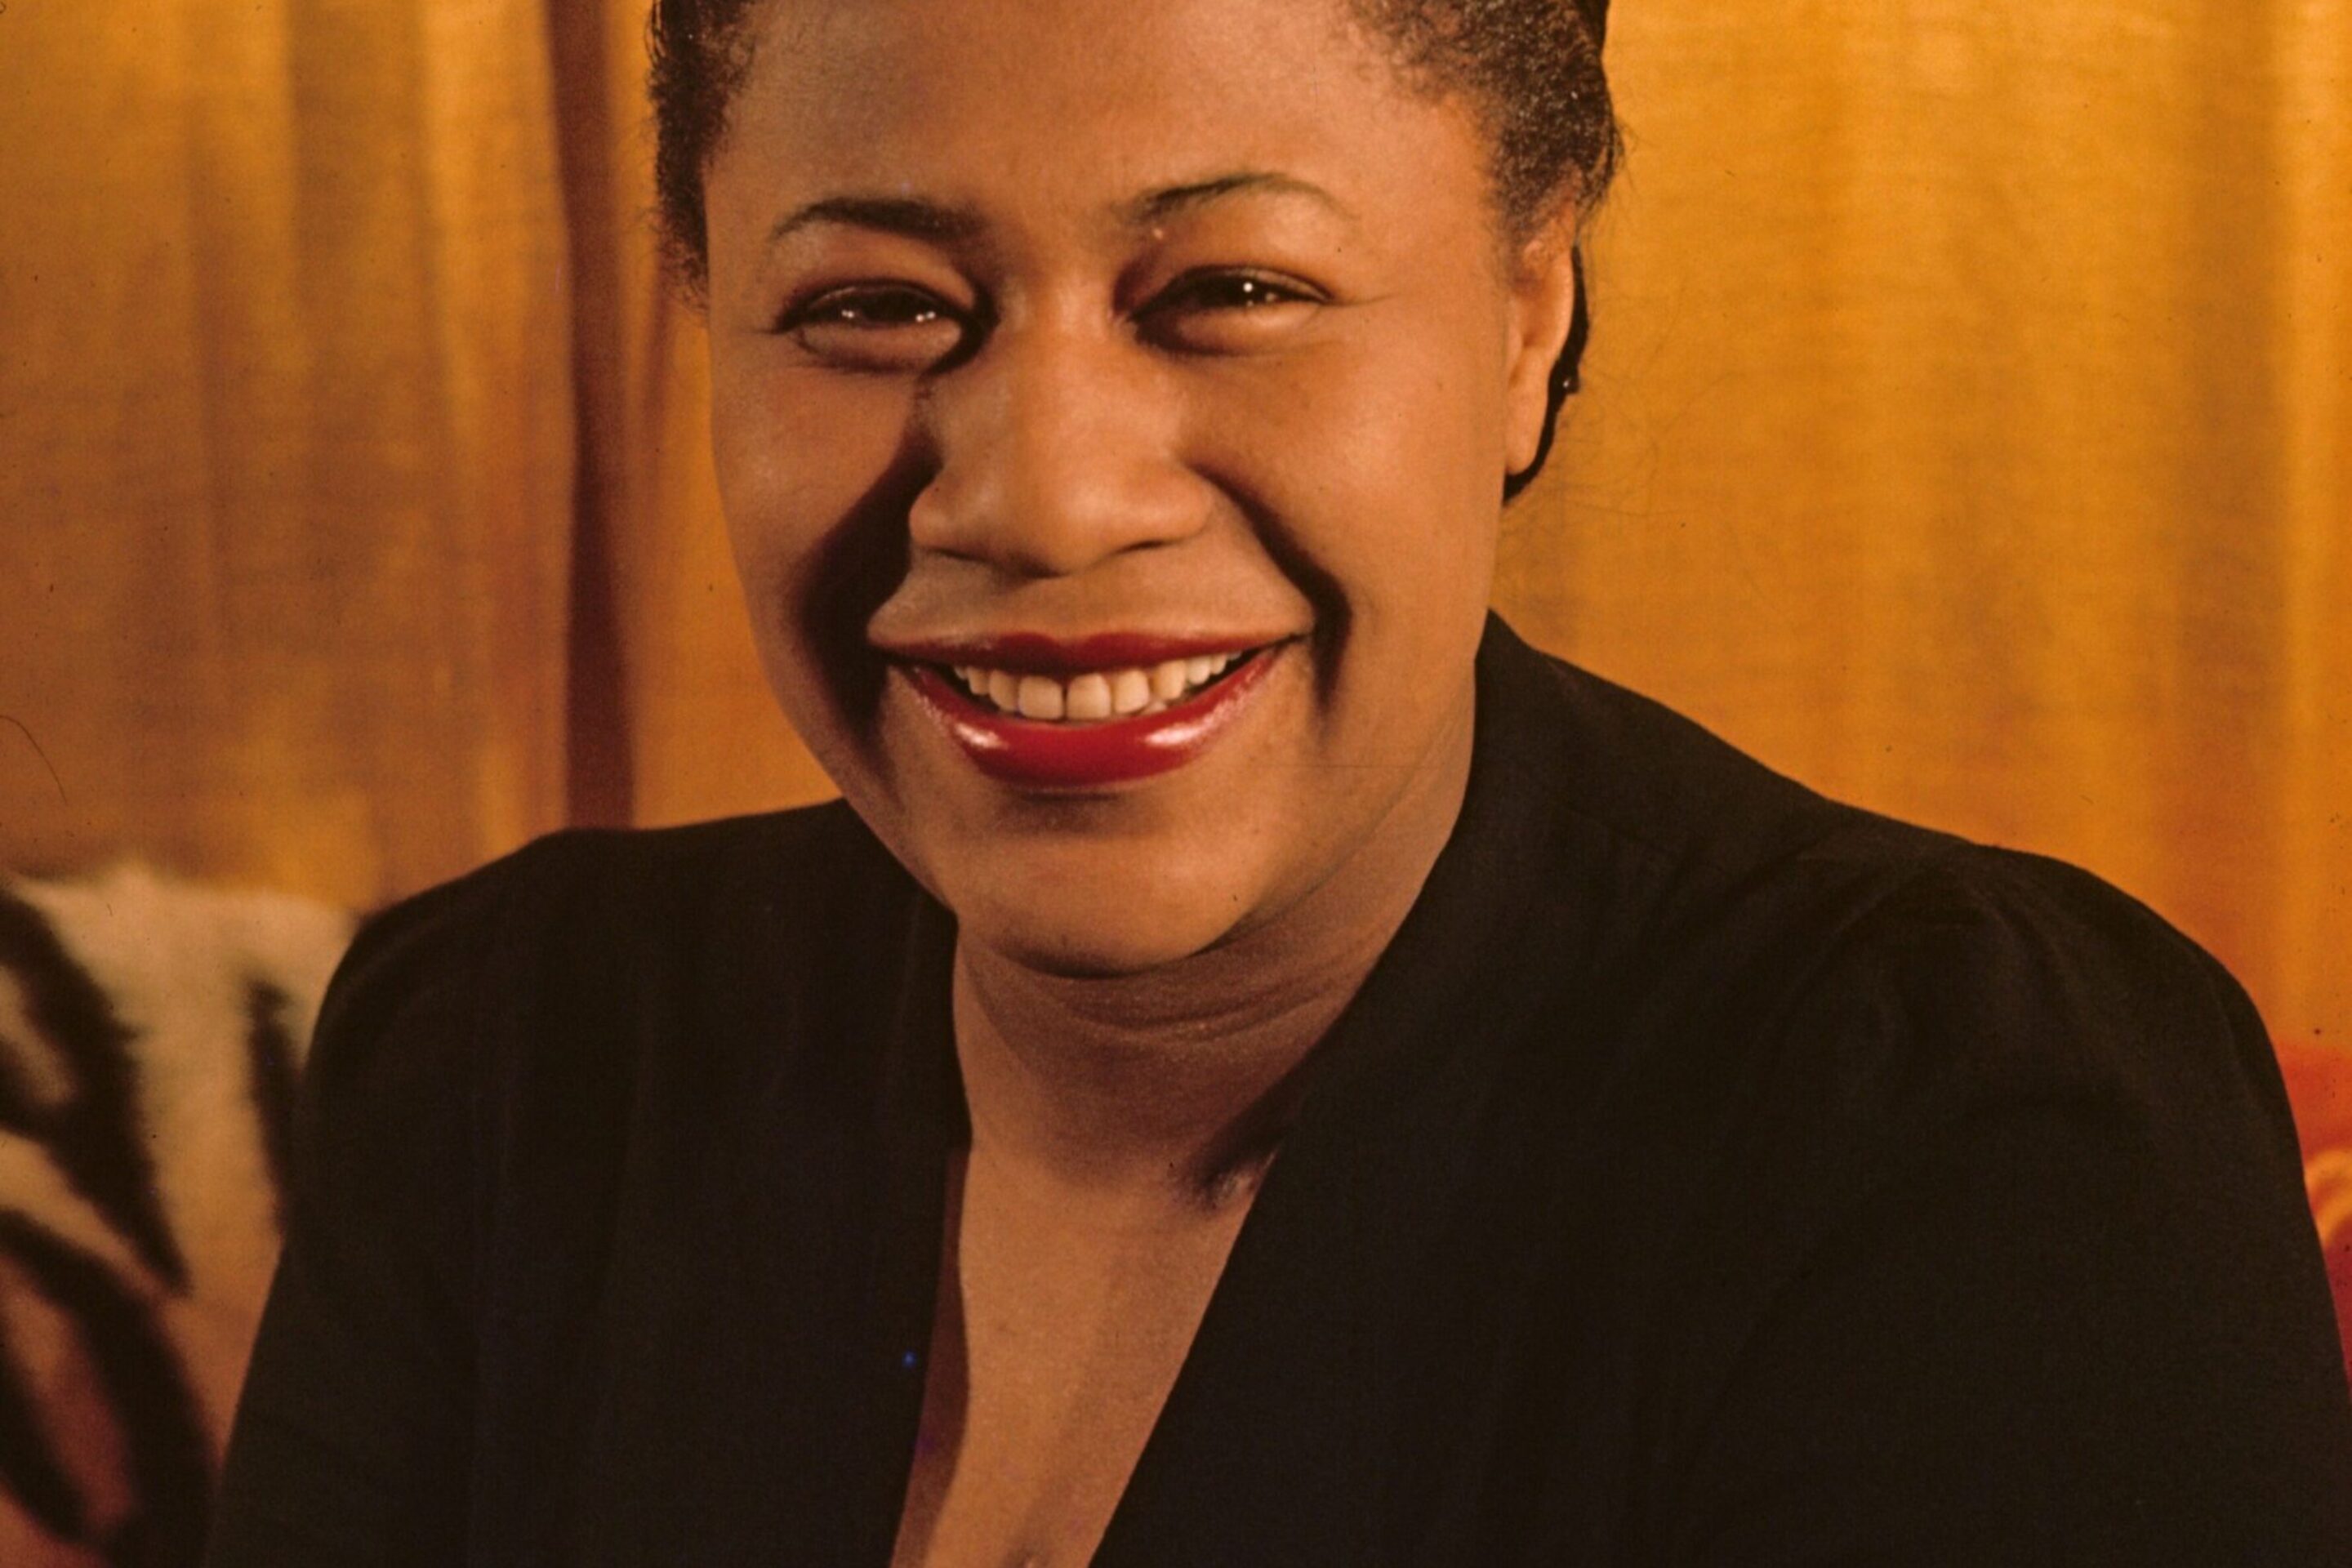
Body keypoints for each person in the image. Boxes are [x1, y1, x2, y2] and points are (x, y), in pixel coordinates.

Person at [203, 0, 2352, 1561]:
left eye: (1231, 289)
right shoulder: (504, 1057)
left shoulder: (1976, 1126)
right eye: (874, 306)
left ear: (1526, 320)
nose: (1046, 497)